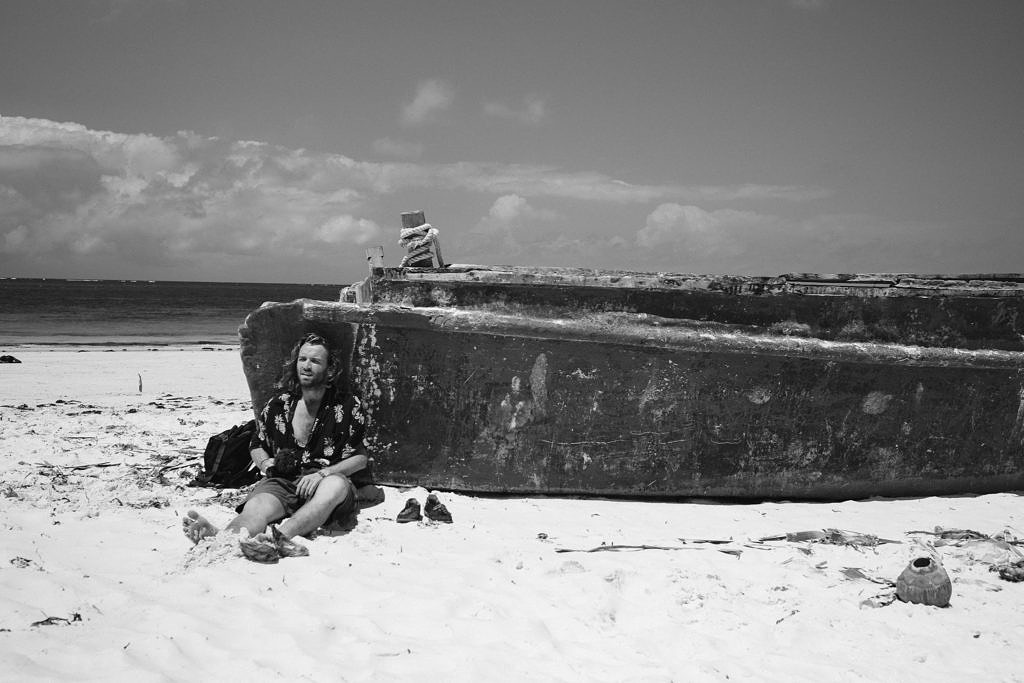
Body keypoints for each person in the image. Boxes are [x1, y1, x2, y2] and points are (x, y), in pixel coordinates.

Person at [183, 332, 370, 559]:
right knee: (257, 506)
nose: (307, 366)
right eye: (302, 359)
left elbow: (361, 458)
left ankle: (279, 537)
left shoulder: (347, 405)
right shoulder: (279, 405)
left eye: (315, 361)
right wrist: (266, 463)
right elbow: (256, 443)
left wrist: (323, 474)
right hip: (284, 480)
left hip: (325, 481)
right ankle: (224, 537)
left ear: (330, 370)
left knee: (334, 486)